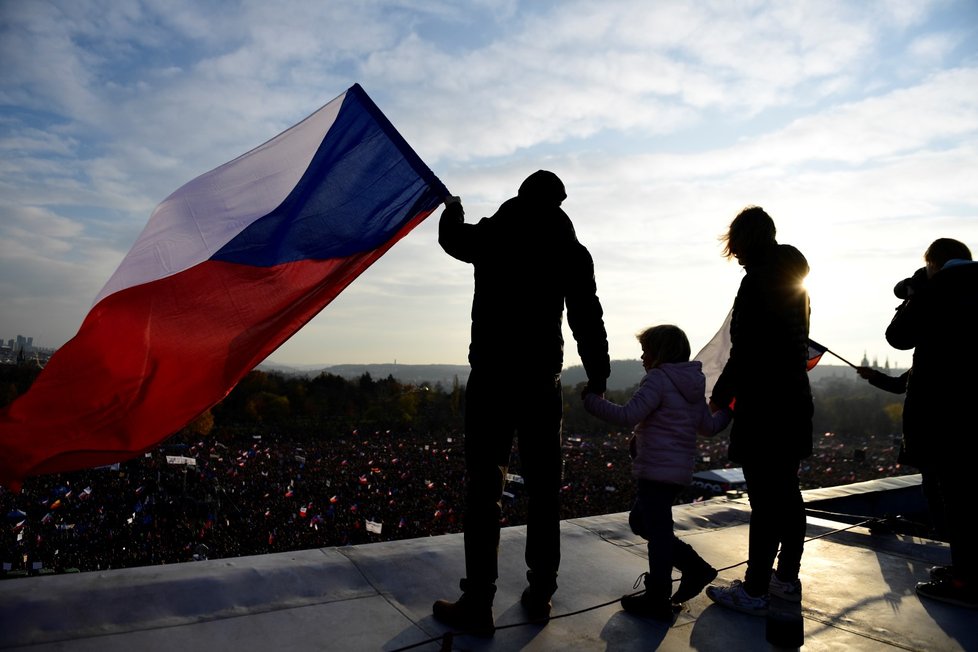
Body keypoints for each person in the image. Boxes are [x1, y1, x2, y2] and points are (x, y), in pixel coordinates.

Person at [432, 171, 611, 636]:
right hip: (540, 382)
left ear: (521, 195)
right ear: (559, 202)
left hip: (492, 376)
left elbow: (453, 239)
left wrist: (452, 208)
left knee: (483, 490)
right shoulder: (570, 251)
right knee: (544, 490)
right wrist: (598, 372)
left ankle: (478, 601)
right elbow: (586, 314)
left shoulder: (496, 234)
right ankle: (540, 593)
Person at [704, 206, 813, 616]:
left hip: (764, 405)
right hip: (793, 400)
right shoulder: (794, 277)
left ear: (743, 241)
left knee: (765, 503)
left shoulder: (758, 281)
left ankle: (753, 589)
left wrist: (719, 398)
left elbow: (745, 351)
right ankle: (786, 580)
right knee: (788, 495)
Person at [582, 324, 731, 621]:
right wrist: (729, 409)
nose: (641, 357)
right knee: (642, 521)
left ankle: (659, 596)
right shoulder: (693, 384)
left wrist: (591, 401)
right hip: (676, 472)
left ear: (659, 354)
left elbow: (628, 415)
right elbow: (709, 427)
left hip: (655, 471)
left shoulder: (658, 380)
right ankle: (693, 568)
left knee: (658, 534)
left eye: (645, 351)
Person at [884, 238, 978, 609]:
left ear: (932, 264)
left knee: (957, 498)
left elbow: (897, 337)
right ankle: (967, 572)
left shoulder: (936, 288)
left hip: (946, 414)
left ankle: (966, 580)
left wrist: (914, 293)